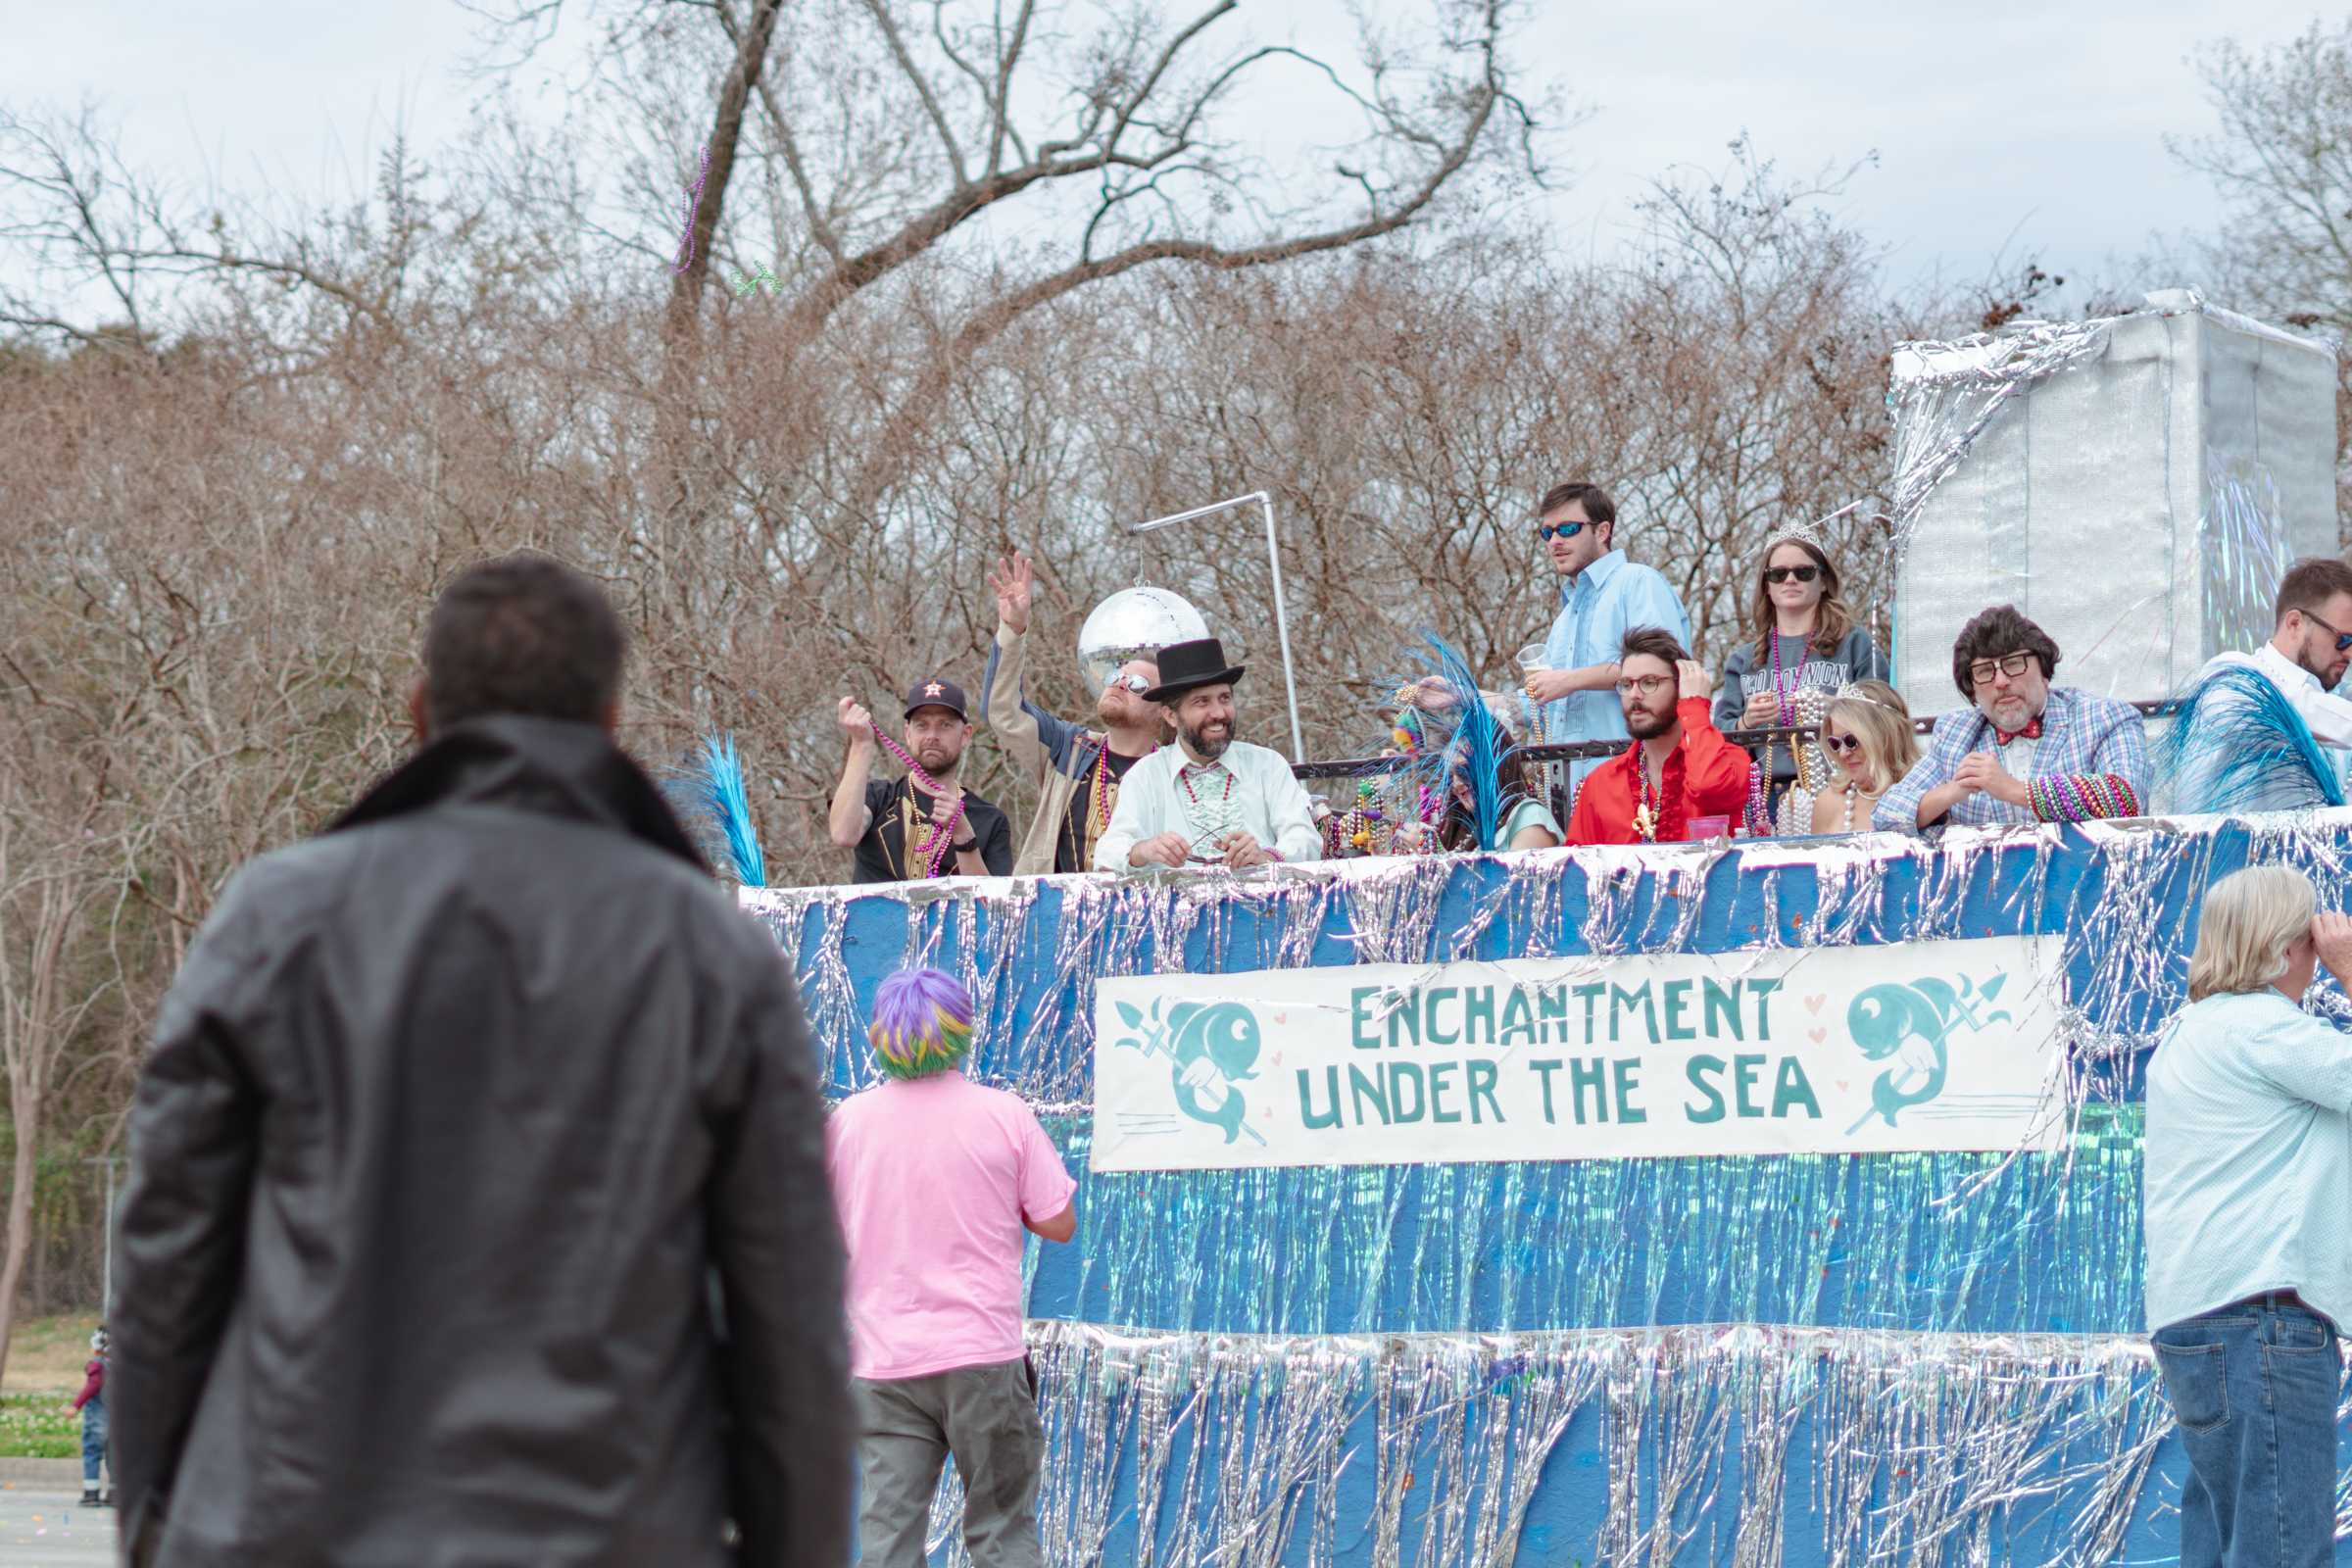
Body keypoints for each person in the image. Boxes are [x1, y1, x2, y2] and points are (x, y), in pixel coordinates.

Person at [110, 554, 851, 1567]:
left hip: (285, 1527)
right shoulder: (707, 953)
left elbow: (164, 1260)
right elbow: (789, 1325)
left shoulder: (276, 921)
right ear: (608, 727)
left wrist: (150, 1526)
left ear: (420, 714)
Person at [827, 968, 1076, 1568]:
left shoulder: (846, 1124)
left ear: (878, 1037)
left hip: (884, 1364)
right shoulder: (1004, 1115)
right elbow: (1058, 1223)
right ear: (962, 1031)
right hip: (983, 1360)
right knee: (1002, 1532)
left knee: (888, 1535)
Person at [2144, 865, 2352, 1568]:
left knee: (2227, 1546)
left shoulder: (2191, 1033)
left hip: (2197, 1322)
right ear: (2289, 948)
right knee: (2285, 1554)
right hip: (2264, 1321)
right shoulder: (2267, 1030)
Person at [1874, 605, 2149, 833]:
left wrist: (2016, 790)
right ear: (1972, 690)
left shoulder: (2103, 718)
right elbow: (1885, 817)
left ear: (2044, 669)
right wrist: (1952, 792)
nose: (2002, 681)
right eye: (1984, 671)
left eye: (2014, 663)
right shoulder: (1955, 735)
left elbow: (2127, 798)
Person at [979, 552, 1169, 874]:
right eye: (1115, 676)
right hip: (1056, 919)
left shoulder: (1173, 771)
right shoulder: (1069, 749)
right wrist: (1013, 630)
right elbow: (1003, 711)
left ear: (1164, 712)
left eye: (1136, 684)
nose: (1119, 685)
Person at [1518, 482, 1692, 797]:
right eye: (1547, 533)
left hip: (1637, 782)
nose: (1555, 541)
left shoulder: (1638, 581)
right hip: (1569, 794)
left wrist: (1571, 680)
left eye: (1568, 528)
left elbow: (1663, 670)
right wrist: (1464, 698)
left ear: (1602, 532)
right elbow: (1542, 705)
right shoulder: (1563, 619)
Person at [1093, 638, 1322, 870]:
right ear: (1171, 716)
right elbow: (1106, 855)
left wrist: (1267, 857)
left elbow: (1306, 840)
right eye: (1202, 702)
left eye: (1225, 698)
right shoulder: (1146, 775)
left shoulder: (1267, 765)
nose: (1218, 713)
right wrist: (1141, 851)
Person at [1714, 522, 1889, 822]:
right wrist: (1747, 721)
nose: (1790, 580)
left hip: (1841, 791)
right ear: (1766, 587)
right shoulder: (1744, 660)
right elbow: (1718, 737)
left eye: (1803, 572)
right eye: (1779, 574)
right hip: (1764, 799)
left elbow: (1887, 714)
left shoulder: (1855, 643)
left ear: (1823, 581)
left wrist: (1836, 709)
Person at [2166, 557, 2352, 813]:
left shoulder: (2329, 714)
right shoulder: (2229, 675)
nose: (2349, 653)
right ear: (2295, 623)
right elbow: (2282, 707)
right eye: (2344, 639)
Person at [1563, 626, 1750, 846]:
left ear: (1681, 687)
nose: (1634, 694)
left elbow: (1707, 787)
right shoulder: (1601, 782)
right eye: (1626, 684)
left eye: (1649, 682)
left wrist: (1695, 708)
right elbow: (1577, 870)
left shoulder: (1730, 761)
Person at [831, 676, 1016, 881]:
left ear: (965, 734)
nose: (932, 735)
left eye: (945, 725)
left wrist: (963, 836)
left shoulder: (990, 819)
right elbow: (843, 835)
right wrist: (861, 744)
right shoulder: (877, 797)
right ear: (908, 734)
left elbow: (991, 905)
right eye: (922, 725)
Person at [1775, 680, 1919, 836]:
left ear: (1885, 736)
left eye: (1851, 741)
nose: (1843, 753)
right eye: (1835, 743)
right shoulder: (1828, 802)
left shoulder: (1925, 795)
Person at [72, 1326, 106, 1509]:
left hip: (97, 1422)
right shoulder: (125, 1367)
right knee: (114, 1458)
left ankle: (91, 1494)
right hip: (119, 1422)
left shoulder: (96, 1365)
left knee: (92, 1454)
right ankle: (115, 1494)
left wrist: (75, 1406)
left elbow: (93, 1385)